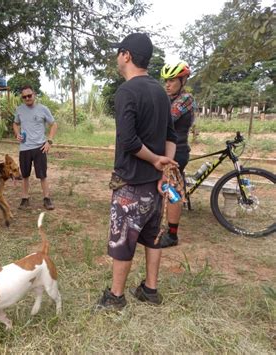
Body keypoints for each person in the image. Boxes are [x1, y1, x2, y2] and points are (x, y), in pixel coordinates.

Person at [97, 33, 177, 310]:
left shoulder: (127, 91)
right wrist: (165, 169)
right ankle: (150, 290)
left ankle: (116, 297)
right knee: (152, 237)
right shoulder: (160, 92)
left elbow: (129, 142)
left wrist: (156, 160)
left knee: (123, 240)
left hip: (131, 183)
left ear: (127, 55)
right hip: (156, 186)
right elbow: (171, 135)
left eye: (119, 52)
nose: (117, 57)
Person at [159, 61, 196, 248]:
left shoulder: (185, 99)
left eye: (172, 80)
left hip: (178, 152)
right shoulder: (168, 98)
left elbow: (168, 118)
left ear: (183, 81)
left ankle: (172, 235)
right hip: (166, 150)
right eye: (166, 80)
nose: (167, 84)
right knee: (165, 189)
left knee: (172, 190)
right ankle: (162, 226)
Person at [13, 85, 58, 211]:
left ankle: (47, 199)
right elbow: (15, 123)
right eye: (24, 97)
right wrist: (17, 134)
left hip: (40, 147)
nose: (27, 98)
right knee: (25, 175)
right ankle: (25, 198)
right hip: (25, 148)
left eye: (29, 95)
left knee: (42, 175)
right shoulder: (19, 110)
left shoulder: (43, 109)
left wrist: (49, 141)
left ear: (34, 95)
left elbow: (53, 124)